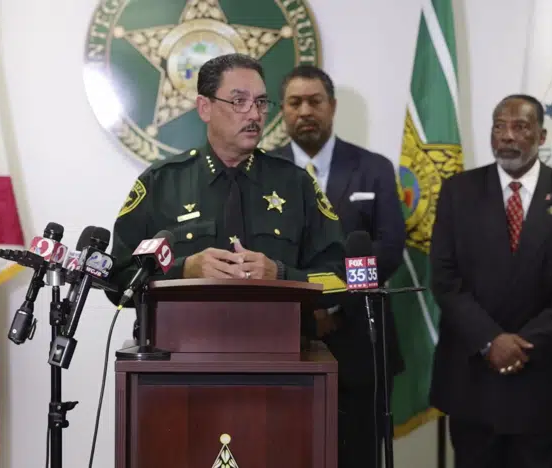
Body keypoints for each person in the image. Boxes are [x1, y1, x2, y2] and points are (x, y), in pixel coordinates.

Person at [107, 53, 347, 329]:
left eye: (260, 102)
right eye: (239, 101)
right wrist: (183, 270)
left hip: (281, 358)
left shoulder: (296, 184)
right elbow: (116, 280)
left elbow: (340, 280)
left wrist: (281, 275)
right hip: (179, 359)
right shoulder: (161, 183)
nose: (255, 114)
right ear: (204, 107)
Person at [429, 94, 552, 468]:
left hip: (544, 381)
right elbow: (445, 278)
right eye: (498, 126)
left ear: (541, 136)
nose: (507, 136)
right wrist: (490, 340)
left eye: (520, 127)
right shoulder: (457, 192)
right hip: (472, 380)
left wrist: (522, 345)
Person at [276, 64, 406, 468]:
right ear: (282, 110)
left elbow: (388, 248)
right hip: (285, 338)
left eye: (315, 101)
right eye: (295, 102)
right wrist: (308, 305)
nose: (305, 111)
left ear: (331, 106)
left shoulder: (374, 168)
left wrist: (332, 302)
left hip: (360, 341)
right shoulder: (262, 171)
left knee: (359, 455)